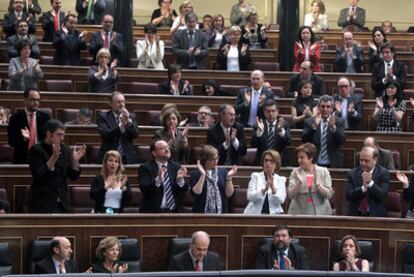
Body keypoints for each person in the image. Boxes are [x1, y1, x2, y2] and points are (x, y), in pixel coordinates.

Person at [28, 119, 86, 213]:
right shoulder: (36, 150)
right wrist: (54, 158)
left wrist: (75, 162)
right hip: (42, 204)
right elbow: (39, 176)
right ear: (49, 134)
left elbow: (73, 176)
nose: (62, 138)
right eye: (59, 134)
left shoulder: (65, 150)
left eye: (63, 135)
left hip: (62, 204)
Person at [138, 139, 188, 213]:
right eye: (162, 148)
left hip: (174, 212)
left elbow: (183, 190)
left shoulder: (176, 167)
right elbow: (144, 188)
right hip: (153, 213)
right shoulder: (145, 168)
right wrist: (158, 179)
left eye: (167, 147)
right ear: (154, 153)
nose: (167, 150)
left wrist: (180, 180)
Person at [287, 143, 333, 215]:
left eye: (302, 157)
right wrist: (299, 184)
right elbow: (290, 195)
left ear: (311, 158)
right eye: (298, 158)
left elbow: (329, 194)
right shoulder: (295, 172)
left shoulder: (323, 171)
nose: (299, 160)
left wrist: (318, 185)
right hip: (299, 211)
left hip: (321, 212)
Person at [7, 88, 50, 164]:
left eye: (38, 100)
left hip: (42, 158)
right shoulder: (15, 118)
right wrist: (23, 138)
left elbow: (49, 139)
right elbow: (11, 142)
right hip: (22, 159)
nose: (36, 103)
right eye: (32, 100)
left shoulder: (46, 118)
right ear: (25, 100)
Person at [190, 145, 237, 213]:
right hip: (201, 214)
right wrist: (203, 175)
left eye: (216, 158)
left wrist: (229, 177)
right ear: (204, 160)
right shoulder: (195, 174)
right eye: (212, 159)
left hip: (221, 214)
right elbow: (195, 194)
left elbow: (229, 194)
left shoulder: (223, 172)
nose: (215, 162)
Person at [302, 95, 346, 168]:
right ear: (318, 108)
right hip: (314, 162)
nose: (325, 109)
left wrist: (334, 128)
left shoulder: (339, 121)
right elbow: (304, 140)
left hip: (333, 162)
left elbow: (341, 141)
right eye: (322, 106)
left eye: (328, 107)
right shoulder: (310, 121)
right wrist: (314, 127)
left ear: (332, 109)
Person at [346, 145, 389, 217]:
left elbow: (382, 195)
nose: (363, 163)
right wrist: (363, 188)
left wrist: (371, 184)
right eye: (361, 160)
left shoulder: (383, 173)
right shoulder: (352, 173)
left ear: (375, 160)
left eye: (366, 160)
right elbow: (349, 196)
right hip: (355, 214)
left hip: (376, 216)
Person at [96, 92, 139, 164]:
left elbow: (136, 134)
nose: (121, 105)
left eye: (123, 102)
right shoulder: (103, 116)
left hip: (127, 157)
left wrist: (128, 121)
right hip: (109, 156)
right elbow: (106, 134)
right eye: (118, 102)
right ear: (111, 104)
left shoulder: (131, 116)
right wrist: (121, 126)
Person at [244, 150, 286, 214]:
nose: (268, 163)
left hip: (275, 215)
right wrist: (263, 190)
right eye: (266, 160)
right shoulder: (256, 176)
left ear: (276, 164)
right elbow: (249, 197)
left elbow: (281, 200)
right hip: (254, 214)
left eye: (271, 161)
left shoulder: (281, 179)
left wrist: (273, 188)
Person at [252, 99, 291, 166]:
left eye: (273, 111)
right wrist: (259, 132)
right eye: (268, 111)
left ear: (277, 111)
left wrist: (281, 131)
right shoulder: (258, 125)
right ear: (264, 112)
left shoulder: (284, 124)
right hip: (262, 162)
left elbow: (288, 142)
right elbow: (253, 144)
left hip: (280, 162)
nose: (271, 114)